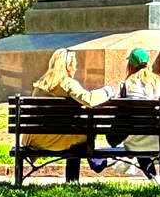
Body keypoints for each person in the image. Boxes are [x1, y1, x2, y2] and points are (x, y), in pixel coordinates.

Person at [30, 49, 108, 182]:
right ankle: (92, 159)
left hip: (37, 139)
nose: (76, 67)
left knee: (76, 132)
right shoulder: (67, 83)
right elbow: (89, 100)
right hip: (61, 140)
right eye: (75, 64)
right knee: (85, 131)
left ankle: (91, 161)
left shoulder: (41, 84)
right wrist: (107, 91)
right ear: (68, 66)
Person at [111, 47, 160, 173]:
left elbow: (118, 114)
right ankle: (156, 178)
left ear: (130, 65)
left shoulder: (126, 85)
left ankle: (153, 177)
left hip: (134, 142)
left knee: (139, 143)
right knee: (145, 141)